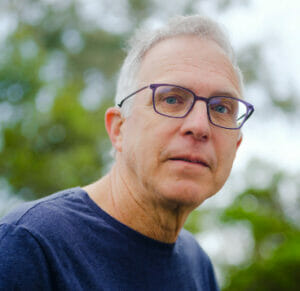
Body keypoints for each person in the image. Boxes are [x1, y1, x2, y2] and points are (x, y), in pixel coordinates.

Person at [0, 15, 254, 290]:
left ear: (236, 145)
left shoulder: (197, 264)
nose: (199, 126)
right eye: (171, 99)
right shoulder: (29, 245)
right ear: (118, 129)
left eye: (221, 108)